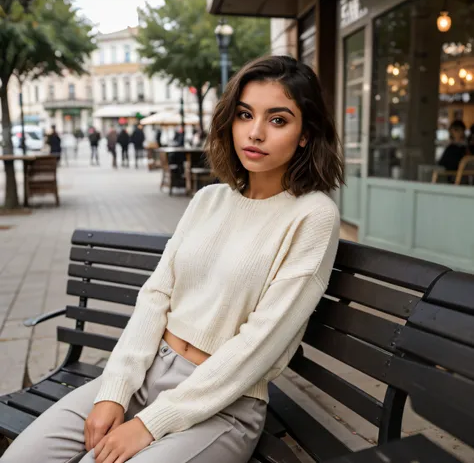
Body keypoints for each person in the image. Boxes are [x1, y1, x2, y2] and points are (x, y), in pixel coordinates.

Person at [2, 55, 343, 463]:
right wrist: (114, 391)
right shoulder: (207, 200)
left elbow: (260, 345)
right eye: (244, 114)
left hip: (223, 403)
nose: (254, 133)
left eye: (278, 120)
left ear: (305, 134)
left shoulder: (313, 215)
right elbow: (156, 297)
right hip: (145, 373)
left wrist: (149, 423)